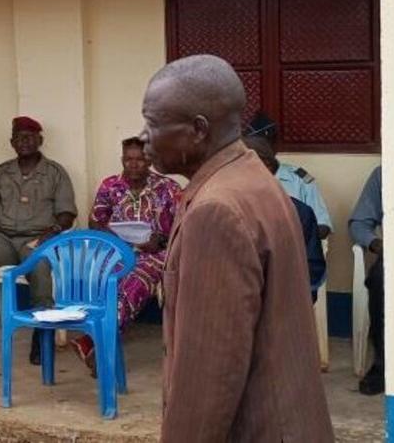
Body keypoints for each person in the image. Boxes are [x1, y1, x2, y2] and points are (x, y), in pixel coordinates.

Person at [141, 54, 332, 441]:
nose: (143, 135)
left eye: (153, 123)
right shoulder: (253, 177)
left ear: (198, 130)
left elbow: (208, 375)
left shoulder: (216, 210)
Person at [0, 116, 77, 366]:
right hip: (4, 239)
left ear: (40, 140)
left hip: (38, 239)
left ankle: (42, 335)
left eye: (29, 137)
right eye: (19, 138)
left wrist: (51, 233)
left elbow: (67, 214)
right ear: (12, 142)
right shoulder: (1, 172)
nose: (24, 142)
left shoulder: (55, 173)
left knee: (40, 267)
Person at [72, 136, 180, 374]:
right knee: (101, 277)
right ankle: (100, 346)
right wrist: (114, 234)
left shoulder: (168, 188)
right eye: (128, 159)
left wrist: (160, 240)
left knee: (135, 280)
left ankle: (94, 342)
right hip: (119, 250)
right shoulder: (110, 186)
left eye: (139, 159)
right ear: (122, 160)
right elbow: (95, 222)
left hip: (156, 254)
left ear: (149, 160)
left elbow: (184, 226)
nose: (133, 164)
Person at [244, 136, 327, 300]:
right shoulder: (220, 208)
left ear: (265, 167)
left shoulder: (299, 211)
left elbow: (312, 271)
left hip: (283, 301)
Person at [247, 111, 332, 240]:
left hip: (295, 248)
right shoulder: (240, 179)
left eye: (266, 145)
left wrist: (292, 237)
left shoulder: (299, 180)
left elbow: (323, 227)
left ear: (275, 146)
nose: (262, 151)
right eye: (256, 148)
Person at [349, 166, 383, 395]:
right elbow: (359, 222)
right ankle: (384, 364)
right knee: (379, 279)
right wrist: (376, 244)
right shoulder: (384, 173)